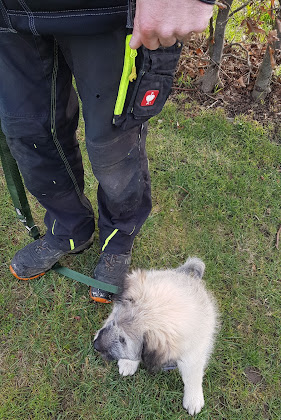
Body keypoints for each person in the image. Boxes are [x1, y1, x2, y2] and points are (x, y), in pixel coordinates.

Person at [0, 0, 214, 303]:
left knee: (113, 147)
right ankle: (69, 229)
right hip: (11, 17)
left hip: (107, 11)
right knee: (31, 135)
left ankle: (118, 239)